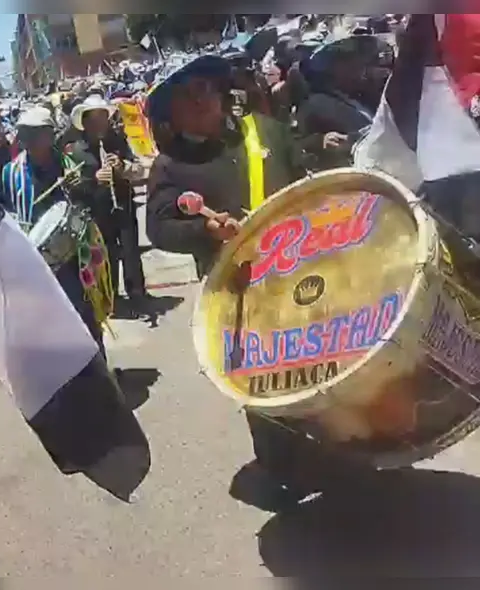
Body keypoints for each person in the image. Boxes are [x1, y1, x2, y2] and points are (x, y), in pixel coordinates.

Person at [144, 55, 346, 510]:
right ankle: (280, 466)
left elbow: (303, 171)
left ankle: (337, 445)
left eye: (204, 89)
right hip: (240, 293)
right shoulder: (171, 166)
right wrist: (202, 231)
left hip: (303, 273)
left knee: (322, 360)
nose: (199, 101)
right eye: (185, 97)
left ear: (219, 92)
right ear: (170, 115)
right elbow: (158, 226)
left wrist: (323, 154)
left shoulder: (265, 131)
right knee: (263, 381)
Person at [3, 106, 112, 359]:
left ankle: (99, 368)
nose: (29, 142)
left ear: (50, 135)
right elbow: (5, 209)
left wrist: (81, 187)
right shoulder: (11, 173)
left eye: (36, 135)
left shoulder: (72, 162)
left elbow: (94, 205)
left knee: (86, 315)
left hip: (76, 255)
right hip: (36, 258)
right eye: (25, 136)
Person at [67, 94, 153, 316]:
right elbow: (74, 188)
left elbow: (138, 169)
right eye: (95, 119)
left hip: (123, 204)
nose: (100, 124)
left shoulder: (118, 141)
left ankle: (137, 294)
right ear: (85, 123)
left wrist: (122, 165)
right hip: (97, 211)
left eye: (103, 118)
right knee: (106, 256)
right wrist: (95, 179)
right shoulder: (76, 151)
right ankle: (111, 298)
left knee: (131, 251)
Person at [296, 35, 384, 171]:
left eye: (360, 60)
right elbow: (297, 144)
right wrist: (321, 141)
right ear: (333, 67)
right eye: (349, 61)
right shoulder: (315, 103)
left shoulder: (364, 98)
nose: (359, 67)